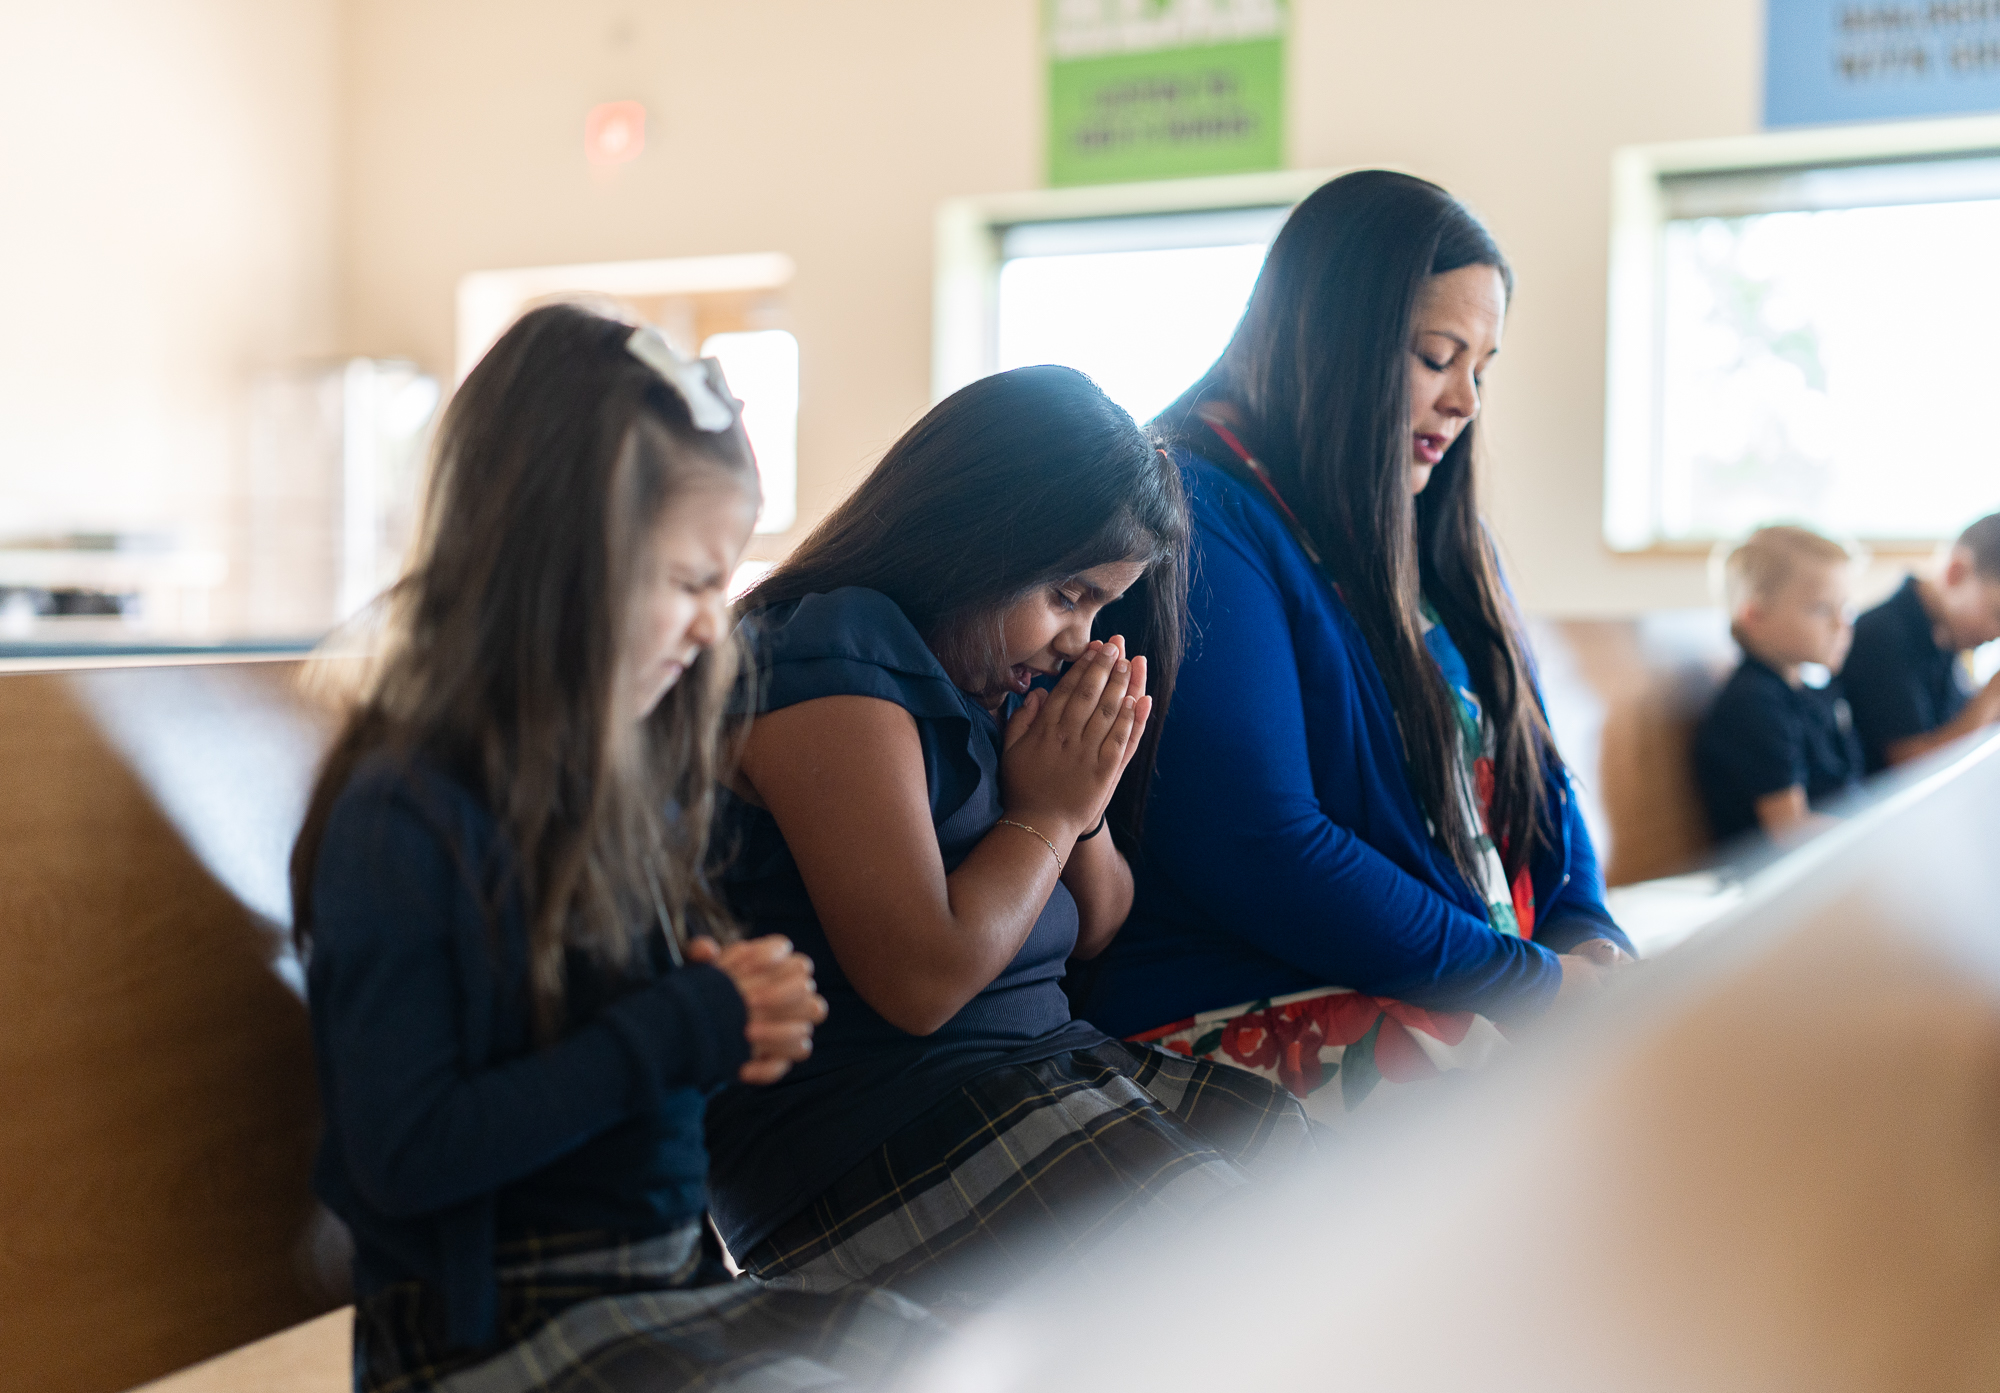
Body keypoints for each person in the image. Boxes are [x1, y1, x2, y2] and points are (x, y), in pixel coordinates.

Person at [291, 304, 944, 1392]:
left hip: (656, 1292)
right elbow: (406, 1153)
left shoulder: (613, 792)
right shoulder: (405, 817)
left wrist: (718, 1021)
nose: (711, 626)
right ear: (560, 561)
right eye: (691, 582)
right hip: (486, 1333)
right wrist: (678, 1028)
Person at [703, 365, 1314, 1313]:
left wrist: (1083, 800)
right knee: (1236, 1263)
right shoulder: (830, 648)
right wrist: (1045, 816)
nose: (1082, 637)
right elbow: (922, 978)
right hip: (882, 1139)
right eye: (1069, 593)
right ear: (972, 534)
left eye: (1104, 607)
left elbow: (1103, 919)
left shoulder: (979, 680)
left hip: (1027, 1082)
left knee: (1327, 1196)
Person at [1066, 170, 1635, 1124]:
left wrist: (1590, 939)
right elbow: (1266, 846)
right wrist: (1532, 985)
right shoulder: (1195, 509)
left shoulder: (1432, 525)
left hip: (1457, 975)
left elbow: (1536, 769)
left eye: (1481, 368)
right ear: (1331, 338)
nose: (1464, 402)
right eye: (1435, 356)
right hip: (1240, 1003)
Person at [1693, 526, 1863, 842]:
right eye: (1822, 608)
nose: (1841, 624)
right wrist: (1878, 838)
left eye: (1846, 608)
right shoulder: (1754, 703)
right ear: (1755, 617)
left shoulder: (1811, 692)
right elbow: (1790, 830)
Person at [1842, 512, 2000, 773]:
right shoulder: (1881, 637)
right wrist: (1993, 694)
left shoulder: (1947, 635)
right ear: (1955, 573)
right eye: (1997, 614)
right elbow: (1915, 767)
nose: (1998, 634)